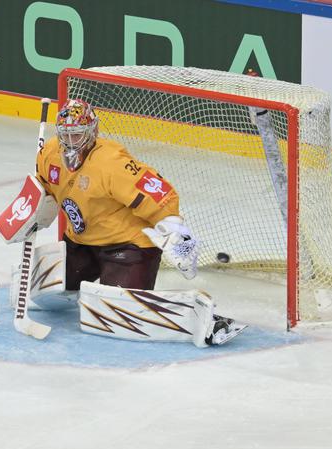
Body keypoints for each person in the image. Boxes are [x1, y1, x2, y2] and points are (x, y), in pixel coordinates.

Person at [28, 99, 244, 346]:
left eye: (77, 135)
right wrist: (30, 213)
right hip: (81, 242)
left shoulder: (111, 163)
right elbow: (43, 187)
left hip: (127, 246)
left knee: (115, 314)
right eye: (66, 135)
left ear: (93, 132)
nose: (70, 143)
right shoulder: (50, 153)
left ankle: (202, 320)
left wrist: (176, 232)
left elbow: (159, 193)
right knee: (43, 289)